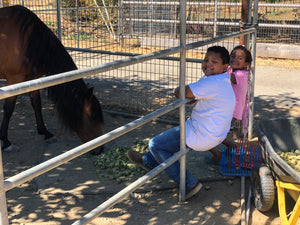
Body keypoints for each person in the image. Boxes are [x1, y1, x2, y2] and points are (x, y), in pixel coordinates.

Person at [127, 46, 235, 200]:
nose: (208, 64)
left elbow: (180, 93)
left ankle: (189, 184)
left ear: (225, 67)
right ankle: (148, 162)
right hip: (217, 134)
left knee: (155, 144)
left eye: (214, 62)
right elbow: (194, 97)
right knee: (166, 143)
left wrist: (179, 90)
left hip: (202, 136)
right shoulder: (222, 79)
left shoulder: (212, 83)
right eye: (206, 60)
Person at [205, 45, 253, 164]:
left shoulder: (241, 74)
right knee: (217, 131)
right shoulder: (232, 70)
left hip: (232, 111)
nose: (235, 60)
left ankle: (222, 155)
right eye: (233, 56)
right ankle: (232, 148)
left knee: (211, 131)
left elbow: (226, 77)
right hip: (227, 109)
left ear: (247, 63)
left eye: (240, 58)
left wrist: (212, 68)